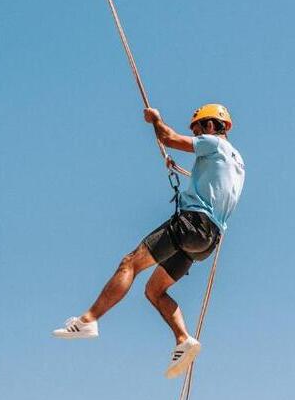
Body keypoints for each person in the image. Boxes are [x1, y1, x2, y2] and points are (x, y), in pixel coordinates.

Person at [52, 103, 245, 378]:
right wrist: (177, 167)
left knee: (130, 263)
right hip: (208, 240)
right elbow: (210, 181)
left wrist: (156, 120)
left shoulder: (213, 143)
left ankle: (88, 320)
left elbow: (167, 137)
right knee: (154, 290)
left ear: (213, 126)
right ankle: (183, 339)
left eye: (199, 128)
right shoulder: (236, 161)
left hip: (192, 224)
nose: (198, 134)